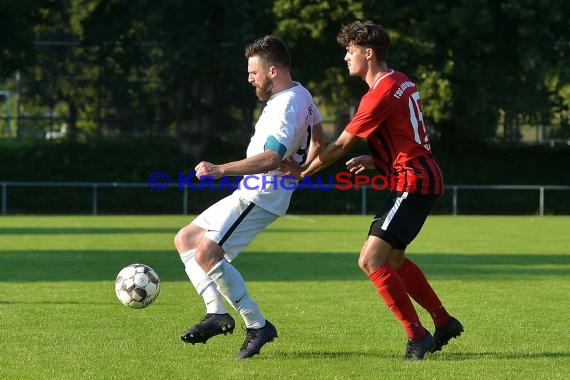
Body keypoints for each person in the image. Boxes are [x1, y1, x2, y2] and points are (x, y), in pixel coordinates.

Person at [285, 20, 463, 360]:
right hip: (419, 175)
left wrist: (304, 172)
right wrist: (377, 158)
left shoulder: (379, 92)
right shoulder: (401, 80)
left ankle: (418, 335)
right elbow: (405, 136)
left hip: (413, 180)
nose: (346, 58)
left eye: (350, 52)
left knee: (370, 259)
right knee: (393, 260)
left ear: (368, 53)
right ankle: (443, 321)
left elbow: (338, 146)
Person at [173, 35, 324, 360]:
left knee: (208, 253)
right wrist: (303, 169)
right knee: (186, 239)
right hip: (255, 190)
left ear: (272, 71)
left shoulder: (286, 105)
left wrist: (219, 169)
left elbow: (271, 158)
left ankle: (257, 325)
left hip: (263, 192)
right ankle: (216, 312)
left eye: (253, 72)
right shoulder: (301, 94)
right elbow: (320, 137)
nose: (249, 78)